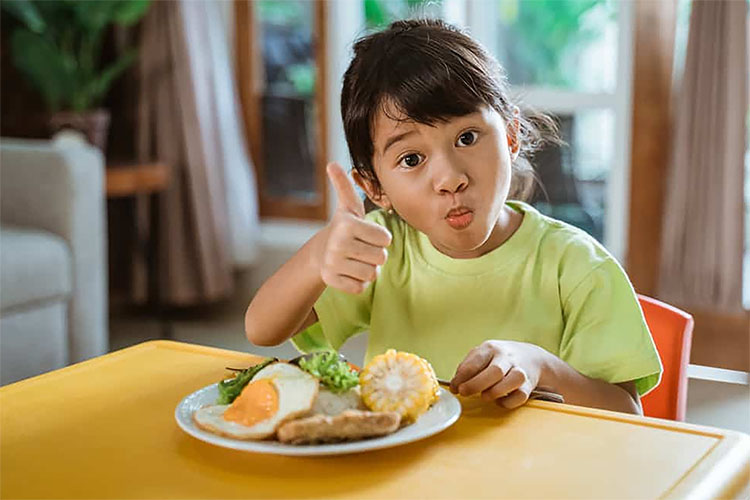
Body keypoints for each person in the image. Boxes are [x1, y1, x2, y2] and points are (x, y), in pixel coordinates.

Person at [245, 19, 661, 414]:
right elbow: (262, 330)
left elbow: (627, 415)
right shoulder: (380, 249)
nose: (449, 178)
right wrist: (319, 257)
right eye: (411, 158)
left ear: (511, 136)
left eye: (466, 137)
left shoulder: (577, 266)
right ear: (373, 187)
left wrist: (544, 367)